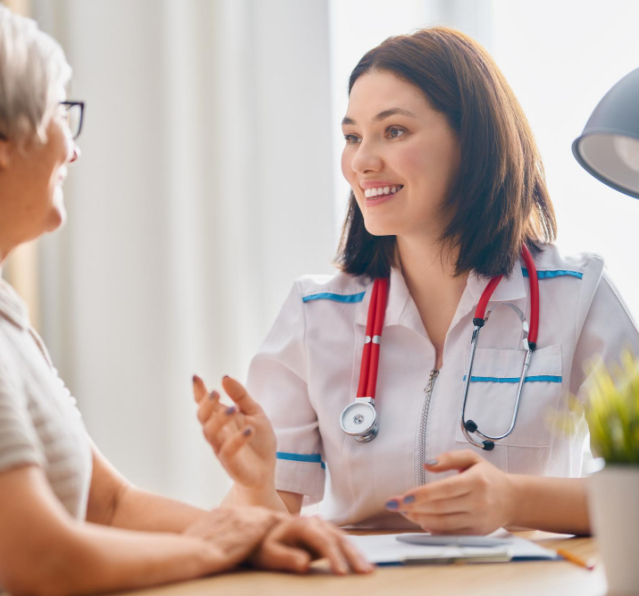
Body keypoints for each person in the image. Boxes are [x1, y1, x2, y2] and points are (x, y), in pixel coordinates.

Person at [0, 2, 371, 595]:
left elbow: (111, 505)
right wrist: (219, 546)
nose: (72, 151)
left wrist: (252, 532)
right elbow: (40, 563)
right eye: (58, 115)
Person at [194, 27, 639, 535]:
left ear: (472, 142)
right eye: (353, 137)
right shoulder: (315, 314)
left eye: (395, 131)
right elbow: (263, 526)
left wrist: (515, 499)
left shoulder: (575, 293)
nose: (362, 161)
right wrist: (253, 485)